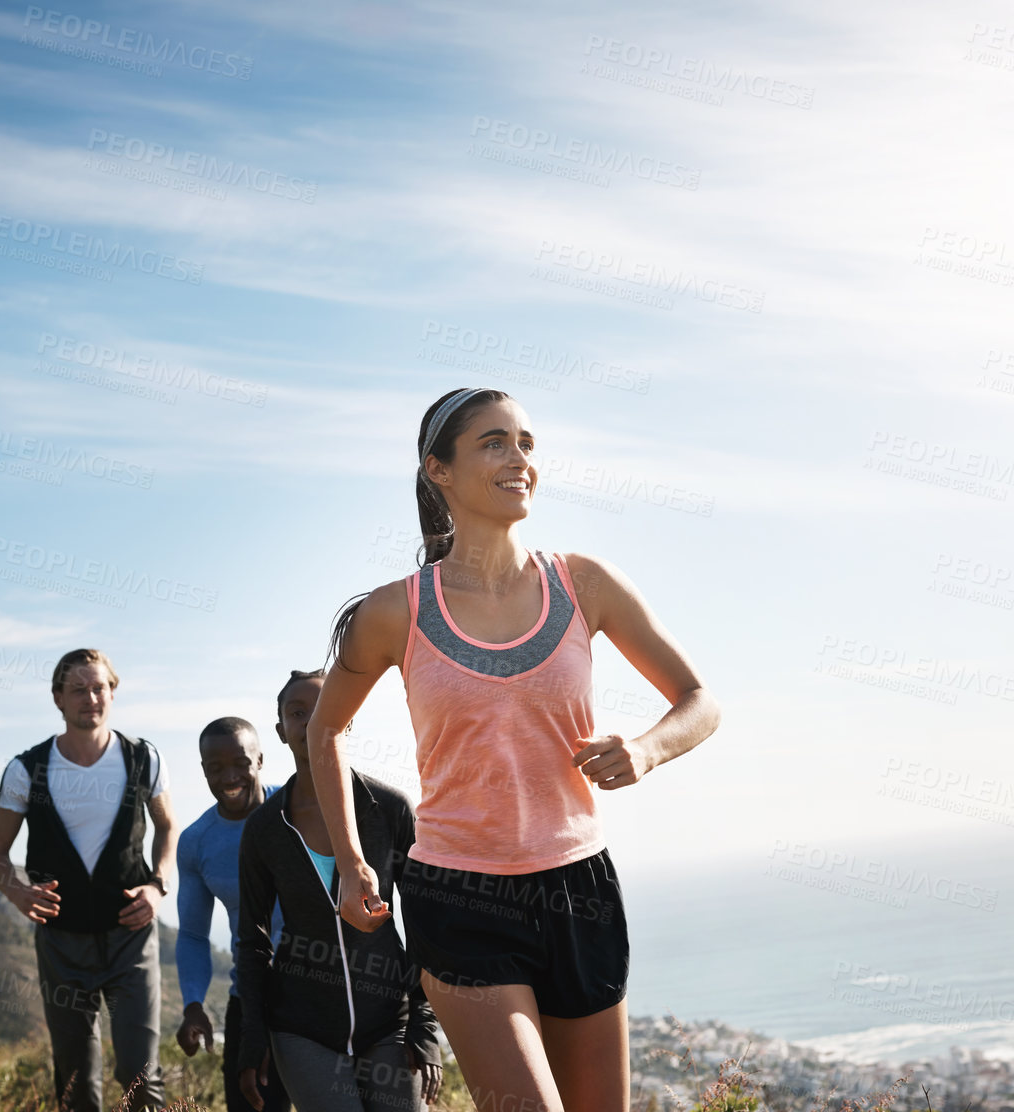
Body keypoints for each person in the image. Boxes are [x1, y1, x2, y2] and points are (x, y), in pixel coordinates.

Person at [308, 388, 721, 1112]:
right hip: (457, 895)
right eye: (493, 443)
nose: (518, 459)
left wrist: (648, 749)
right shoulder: (391, 612)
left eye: (526, 442)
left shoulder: (583, 583)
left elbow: (699, 701)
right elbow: (325, 730)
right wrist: (348, 861)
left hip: (578, 889)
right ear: (438, 470)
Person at [235, 669, 444, 1111]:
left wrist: (423, 1024)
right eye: (297, 713)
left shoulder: (389, 810)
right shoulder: (264, 829)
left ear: (346, 719)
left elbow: (428, 922)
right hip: (301, 1029)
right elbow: (252, 939)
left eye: (324, 710)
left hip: (388, 1021)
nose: (311, 723)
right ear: (280, 731)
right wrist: (254, 1038)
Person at [0, 648, 174, 1112]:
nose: (91, 697)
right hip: (61, 943)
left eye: (99, 687)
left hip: (131, 937)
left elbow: (168, 828)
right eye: (77, 690)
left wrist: (158, 885)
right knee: (75, 1081)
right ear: (58, 699)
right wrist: (17, 892)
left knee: (139, 1075)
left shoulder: (143, 759)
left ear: (113, 691)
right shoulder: (25, 770)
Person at [174, 717, 291, 1112]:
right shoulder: (196, 842)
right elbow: (192, 935)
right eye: (215, 767)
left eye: (241, 762)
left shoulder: (300, 811)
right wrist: (193, 1003)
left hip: (320, 992)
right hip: (251, 999)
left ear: (260, 759)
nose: (229, 776)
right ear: (203, 770)